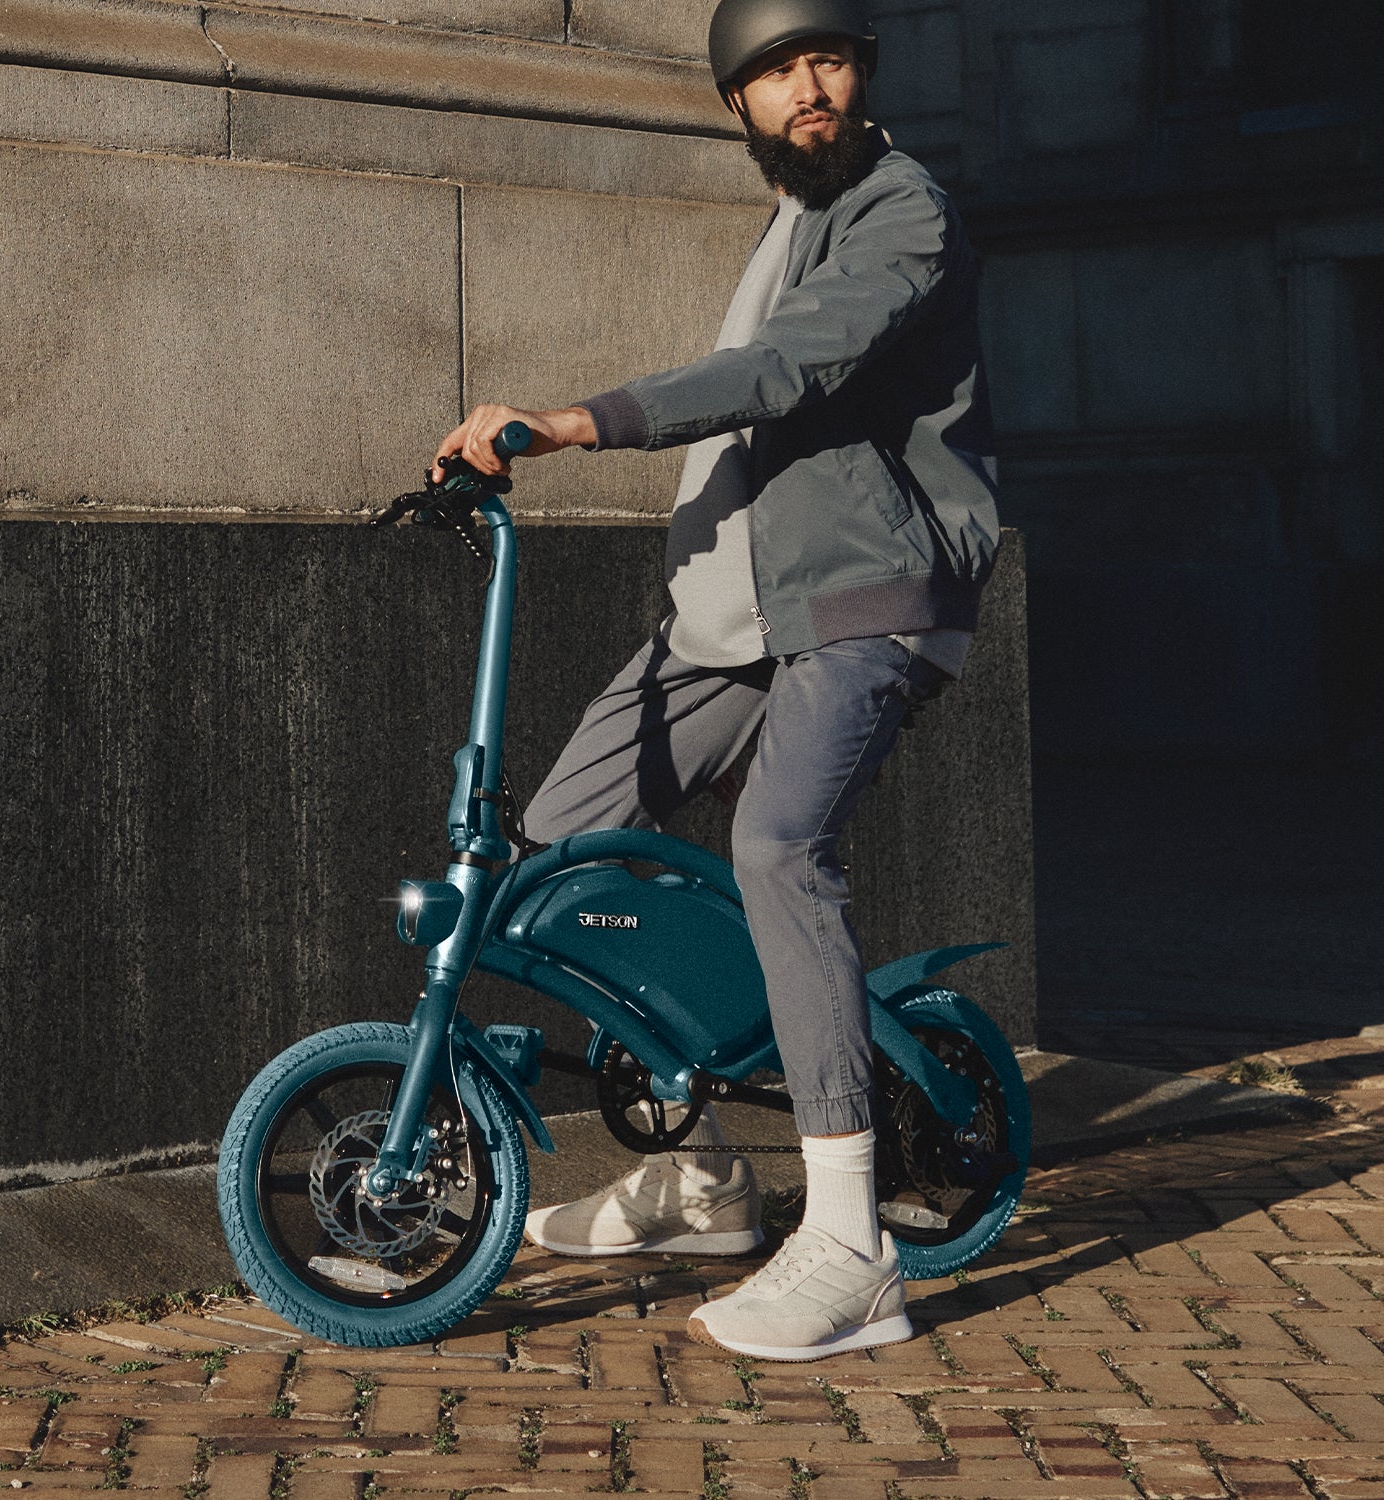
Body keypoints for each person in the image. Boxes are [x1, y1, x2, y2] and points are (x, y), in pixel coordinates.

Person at [431, 0, 999, 1362]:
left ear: (861, 73)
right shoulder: (788, 224)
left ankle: (855, 1248)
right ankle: (699, 1172)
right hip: (723, 618)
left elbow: (788, 368)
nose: (807, 88)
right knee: (557, 854)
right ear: (734, 103)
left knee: (776, 846)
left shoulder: (901, 210)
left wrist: (578, 420)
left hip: (863, 601)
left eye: (828, 59)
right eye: (774, 73)